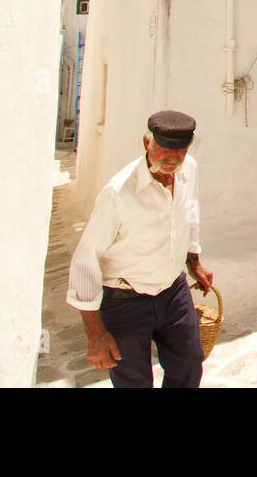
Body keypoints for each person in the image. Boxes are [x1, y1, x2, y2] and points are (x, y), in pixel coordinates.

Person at [66, 109, 214, 388]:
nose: (172, 162)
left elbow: (190, 210)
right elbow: (85, 260)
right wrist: (95, 332)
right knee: (133, 382)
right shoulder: (118, 193)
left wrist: (193, 260)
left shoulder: (189, 169)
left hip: (173, 292)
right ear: (147, 143)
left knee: (190, 364)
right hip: (124, 302)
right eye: (165, 154)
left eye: (179, 154)